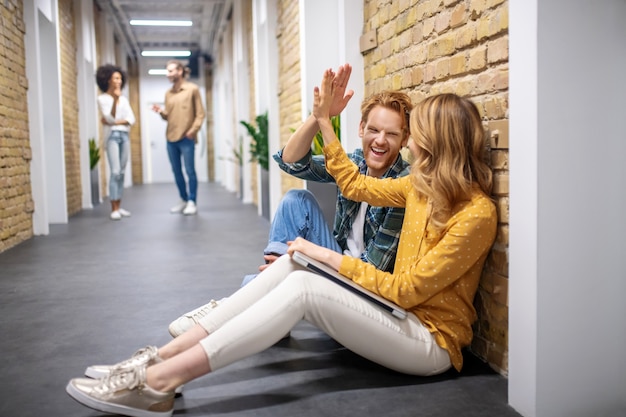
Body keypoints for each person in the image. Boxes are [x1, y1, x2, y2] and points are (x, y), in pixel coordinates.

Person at [66, 67, 498, 417]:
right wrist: (323, 120)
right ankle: (158, 363)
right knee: (293, 267)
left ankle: (159, 382)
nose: (408, 142)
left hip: (428, 340)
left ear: (435, 143)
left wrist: (319, 254)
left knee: (303, 278)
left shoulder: (475, 213)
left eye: (414, 133)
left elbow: (407, 290)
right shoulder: (421, 187)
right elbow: (350, 182)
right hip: (392, 313)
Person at [167, 64, 413, 336]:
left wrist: (305, 259)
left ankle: (232, 308)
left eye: (391, 134)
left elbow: (371, 271)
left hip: (364, 287)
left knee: (272, 274)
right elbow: (292, 162)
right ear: (361, 129)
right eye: (374, 130)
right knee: (297, 199)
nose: (380, 140)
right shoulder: (354, 162)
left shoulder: (403, 185)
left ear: (405, 139)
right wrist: (318, 116)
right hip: (337, 259)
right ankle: (270, 292)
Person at [152, 60, 206, 216]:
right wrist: (160, 111)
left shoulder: (192, 89)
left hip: (187, 138)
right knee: (176, 171)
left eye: (170, 71)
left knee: (190, 171)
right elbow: (168, 117)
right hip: (171, 138)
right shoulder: (168, 94)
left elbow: (200, 114)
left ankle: (192, 201)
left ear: (180, 71)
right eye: (167, 71)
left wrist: (192, 131)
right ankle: (183, 199)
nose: (168, 74)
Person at [96, 64, 136, 221]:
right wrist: (115, 100)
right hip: (112, 137)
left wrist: (114, 122)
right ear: (107, 80)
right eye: (115, 78)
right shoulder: (103, 99)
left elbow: (131, 120)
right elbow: (109, 118)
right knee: (115, 171)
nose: (118, 81)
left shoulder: (124, 100)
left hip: (124, 136)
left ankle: (119, 206)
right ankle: (113, 208)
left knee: (122, 173)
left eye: (120, 78)